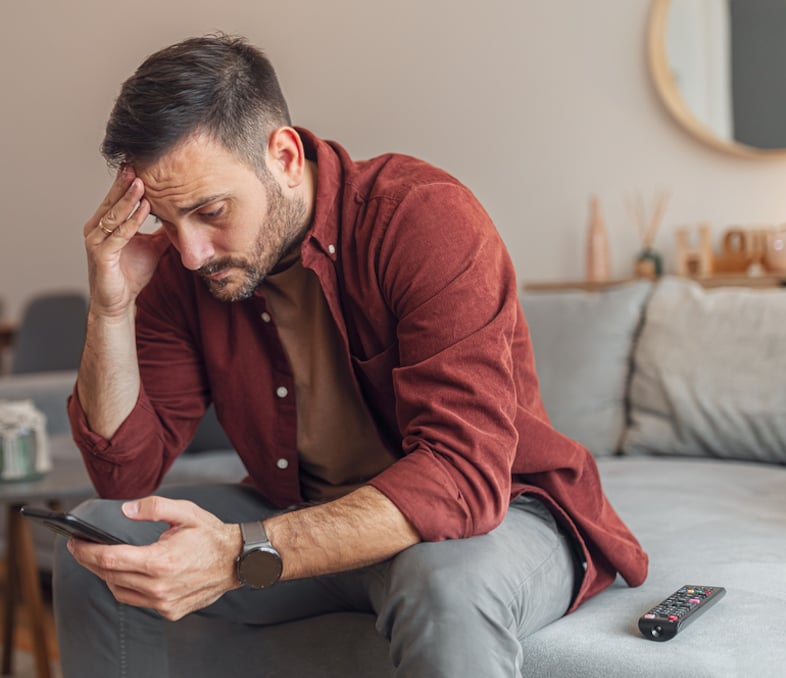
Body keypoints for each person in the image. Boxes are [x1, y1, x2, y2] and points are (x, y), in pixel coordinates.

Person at [56, 34, 647, 677]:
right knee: (102, 540)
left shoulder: (419, 217)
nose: (191, 250)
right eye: (167, 222)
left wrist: (238, 552)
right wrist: (110, 307)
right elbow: (124, 478)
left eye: (210, 211)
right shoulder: (183, 269)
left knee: (441, 585)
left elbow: (463, 477)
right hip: (306, 513)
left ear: (283, 156)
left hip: (500, 512)